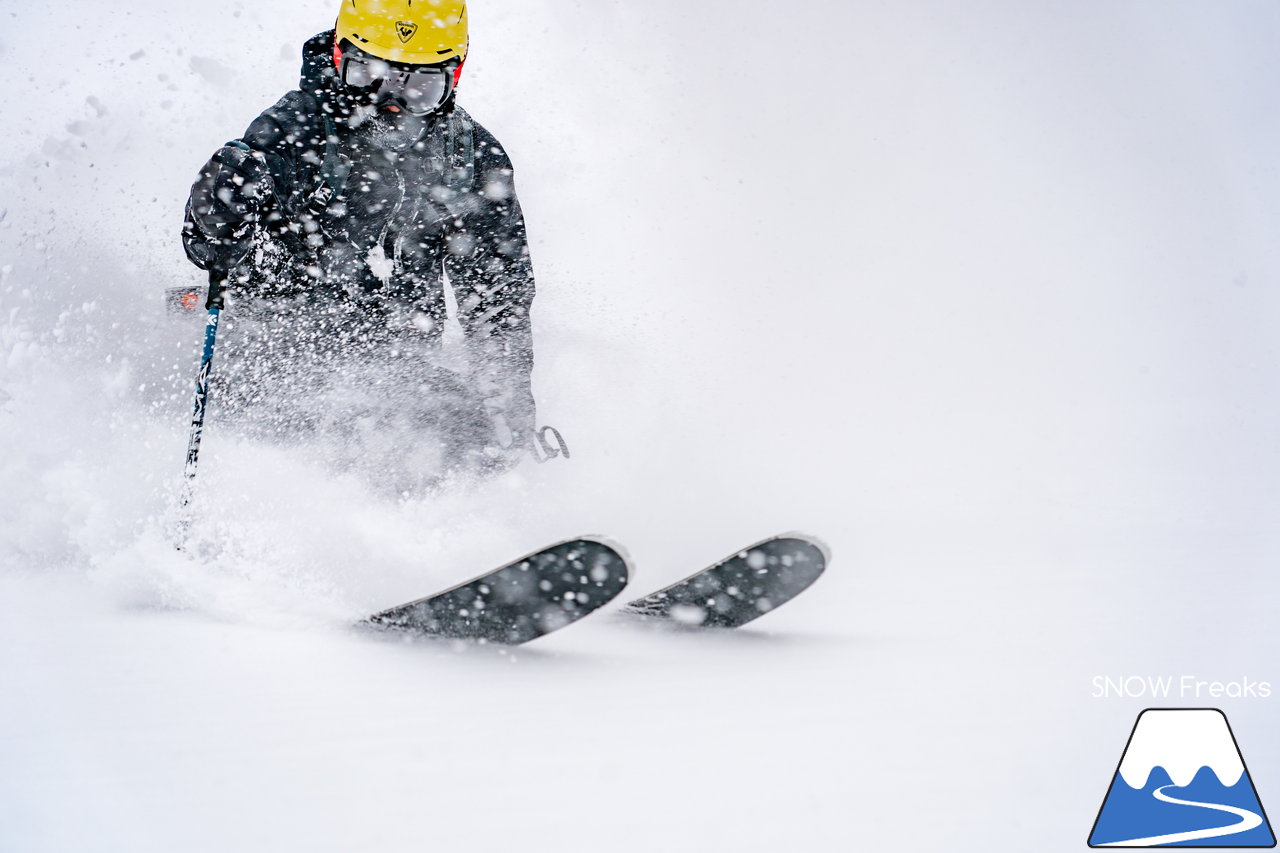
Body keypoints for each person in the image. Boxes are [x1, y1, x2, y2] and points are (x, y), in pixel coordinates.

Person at [182, 0, 545, 490]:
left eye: (418, 87)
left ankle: (470, 534)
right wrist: (218, 209)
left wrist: (511, 418)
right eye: (366, 75)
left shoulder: (469, 159)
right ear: (338, 56)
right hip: (274, 347)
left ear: (454, 76)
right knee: (326, 438)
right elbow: (211, 252)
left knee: (467, 439)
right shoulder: (294, 129)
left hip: (398, 364)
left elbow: (498, 304)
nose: (386, 102)